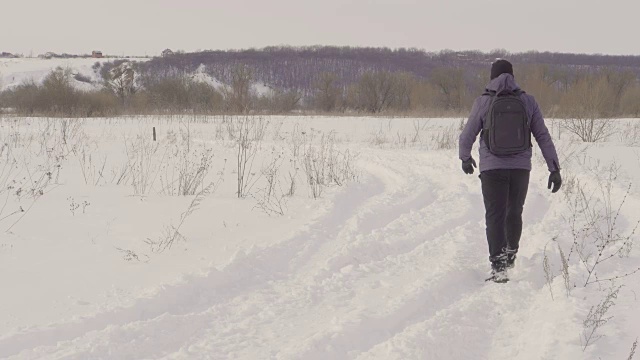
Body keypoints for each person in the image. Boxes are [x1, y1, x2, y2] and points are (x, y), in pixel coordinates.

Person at [458, 59, 562, 282]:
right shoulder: (528, 101)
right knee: (514, 211)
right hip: (520, 168)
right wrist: (554, 168)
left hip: (492, 168)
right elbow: (542, 135)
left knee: (495, 215)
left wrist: (465, 157)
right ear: (512, 76)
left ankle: (498, 267)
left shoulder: (483, 102)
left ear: (492, 76)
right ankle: (511, 254)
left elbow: (467, 134)